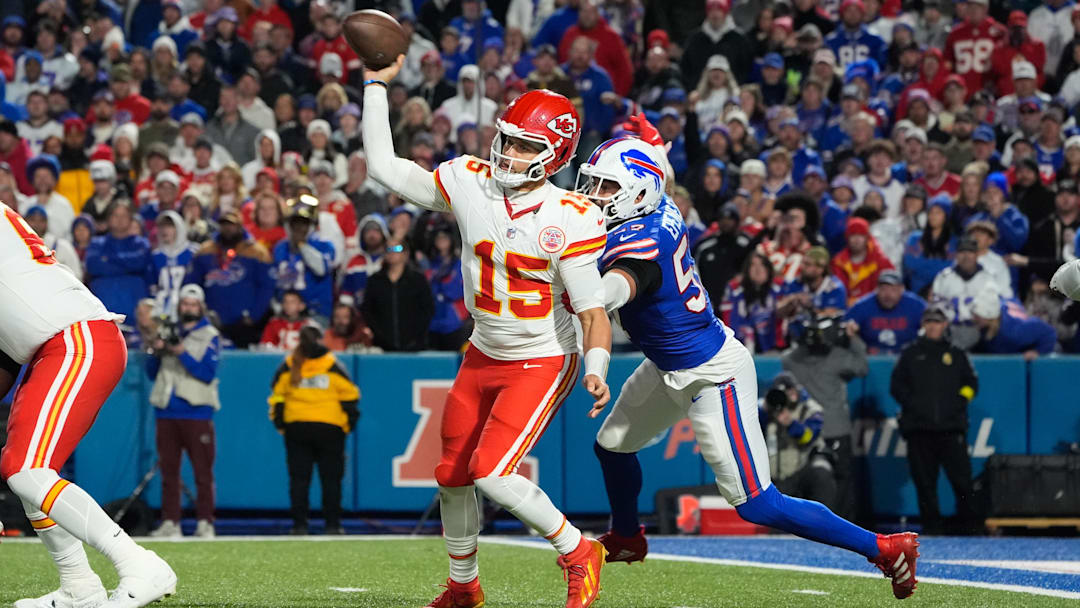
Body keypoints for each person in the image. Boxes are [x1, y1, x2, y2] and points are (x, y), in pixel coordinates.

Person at [576, 135, 919, 601]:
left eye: (605, 186)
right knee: (612, 446)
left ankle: (885, 548)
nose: (593, 195)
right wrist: (653, 148)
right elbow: (665, 182)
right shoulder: (661, 206)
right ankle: (627, 537)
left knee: (757, 503)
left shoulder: (642, 242)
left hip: (712, 373)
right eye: (593, 184)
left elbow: (617, 288)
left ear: (638, 193)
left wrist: (580, 293)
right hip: (667, 364)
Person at [362, 56, 613, 608]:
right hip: (483, 350)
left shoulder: (569, 215)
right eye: (508, 139)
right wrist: (376, 85)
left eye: (525, 146)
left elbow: (593, 311)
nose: (509, 152)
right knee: (451, 474)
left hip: (542, 356)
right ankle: (464, 586)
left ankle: (579, 550)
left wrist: (596, 369)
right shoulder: (470, 181)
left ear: (555, 155)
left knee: (492, 473)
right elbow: (383, 165)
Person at [0, 200, 177, 608]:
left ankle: (139, 563)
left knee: (26, 468)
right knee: (22, 466)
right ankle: (78, 585)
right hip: (56, 344)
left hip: (75, 339)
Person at [890, 306, 978, 535]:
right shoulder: (910, 354)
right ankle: (932, 527)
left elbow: (971, 383)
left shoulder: (956, 354)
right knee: (925, 483)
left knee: (962, 481)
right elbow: (896, 386)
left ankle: (969, 525)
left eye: (937, 322)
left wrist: (960, 400)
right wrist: (913, 405)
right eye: (929, 322)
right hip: (919, 429)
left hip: (951, 428)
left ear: (944, 325)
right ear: (923, 325)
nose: (932, 326)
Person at [268, 325, 359, 535]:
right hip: (330, 428)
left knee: (299, 480)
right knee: (331, 480)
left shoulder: (289, 365)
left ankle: (299, 525)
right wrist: (347, 425)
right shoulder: (333, 365)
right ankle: (333, 525)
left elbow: (277, 397)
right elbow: (350, 397)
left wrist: (282, 424)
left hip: (297, 427)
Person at [146, 284, 220, 539]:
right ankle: (171, 521)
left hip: (196, 410)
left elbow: (207, 373)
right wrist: (156, 350)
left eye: (193, 304)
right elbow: (151, 372)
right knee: (169, 472)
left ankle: (205, 522)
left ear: (201, 307)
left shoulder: (209, 334)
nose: (188, 308)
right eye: (185, 304)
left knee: (202, 472)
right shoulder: (169, 331)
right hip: (166, 410)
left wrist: (181, 353)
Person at [782, 314, 869, 520]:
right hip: (834, 430)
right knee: (841, 480)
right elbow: (862, 367)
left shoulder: (791, 360)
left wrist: (802, 337)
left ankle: (808, 524)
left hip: (807, 431)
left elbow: (788, 356)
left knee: (805, 479)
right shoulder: (838, 357)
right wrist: (852, 338)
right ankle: (843, 525)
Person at [186, 211, 274, 349]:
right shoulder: (206, 250)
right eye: (224, 224)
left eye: (231, 225)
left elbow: (266, 287)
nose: (227, 228)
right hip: (210, 321)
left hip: (244, 324)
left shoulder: (257, 252)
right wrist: (198, 314)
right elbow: (192, 284)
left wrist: (254, 315)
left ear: (240, 226)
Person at [759, 372, 835, 509]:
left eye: (791, 389)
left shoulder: (810, 409)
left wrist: (791, 424)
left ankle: (821, 516)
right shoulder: (770, 408)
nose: (789, 394)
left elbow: (809, 437)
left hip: (802, 469)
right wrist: (766, 409)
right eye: (784, 392)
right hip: (776, 474)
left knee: (821, 472)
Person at [362, 239, 435, 352]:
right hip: (382, 347)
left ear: (406, 254)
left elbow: (428, 310)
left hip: (414, 346)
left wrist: (417, 337)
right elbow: (368, 310)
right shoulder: (375, 280)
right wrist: (379, 336)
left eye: (396, 249)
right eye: (388, 249)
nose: (391, 252)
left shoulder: (418, 280)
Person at [85, 201, 151, 326]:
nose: (120, 220)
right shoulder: (96, 243)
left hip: (135, 316)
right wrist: (127, 264)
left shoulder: (141, 244)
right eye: (115, 215)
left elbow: (140, 263)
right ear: (108, 219)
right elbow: (93, 266)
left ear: (131, 219)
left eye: (124, 216)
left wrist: (108, 259)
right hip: (103, 316)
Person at [273, 196, 336, 321]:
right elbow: (275, 278)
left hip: (315, 311)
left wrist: (302, 245)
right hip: (286, 311)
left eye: (304, 223)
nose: (299, 228)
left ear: (312, 225)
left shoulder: (325, 245)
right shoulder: (280, 247)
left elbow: (321, 269)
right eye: (295, 223)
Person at [845, 269, 927, 354]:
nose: (888, 295)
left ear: (902, 289)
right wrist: (850, 328)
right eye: (883, 289)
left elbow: (931, 323)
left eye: (893, 290)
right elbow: (846, 324)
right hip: (869, 357)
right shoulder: (863, 305)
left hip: (907, 356)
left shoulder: (916, 305)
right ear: (876, 289)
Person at [147, 211, 198, 320]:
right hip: (161, 309)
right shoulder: (155, 255)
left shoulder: (194, 252)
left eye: (169, 226)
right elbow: (152, 284)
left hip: (187, 309)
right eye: (161, 226)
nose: (164, 230)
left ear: (179, 228)